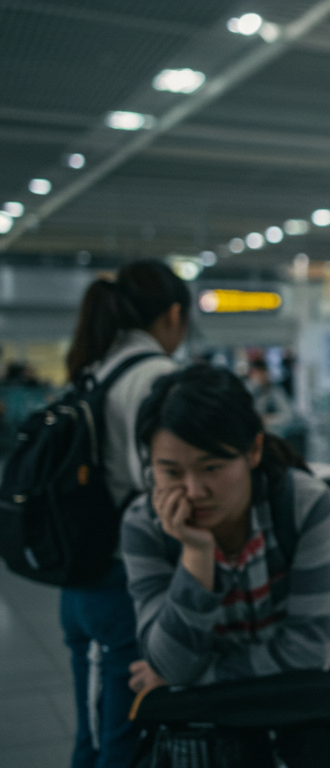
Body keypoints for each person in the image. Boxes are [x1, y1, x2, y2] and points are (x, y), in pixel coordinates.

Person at [121, 365, 330, 766]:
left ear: (253, 451)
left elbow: (309, 651)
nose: (194, 490)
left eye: (212, 467)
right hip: (208, 738)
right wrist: (196, 555)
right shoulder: (144, 525)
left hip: (305, 721)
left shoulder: (305, 505)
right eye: (171, 471)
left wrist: (197, 679)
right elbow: (173, 663)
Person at [60, 260, 189, 768]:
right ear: (173, 314)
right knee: (123, 737)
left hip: (81, 574)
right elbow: (160, 482)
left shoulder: (94, 368)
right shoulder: (155, 375)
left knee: (93, 732)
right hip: (124, 581)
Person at [247, 358, 294, 435]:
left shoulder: (275, 390)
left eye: (262, 373)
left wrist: (268, 418)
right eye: (256, 374)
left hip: (271, 432)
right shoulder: (247, 391)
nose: (260, 377)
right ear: (251, 375)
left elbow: (288, 415)